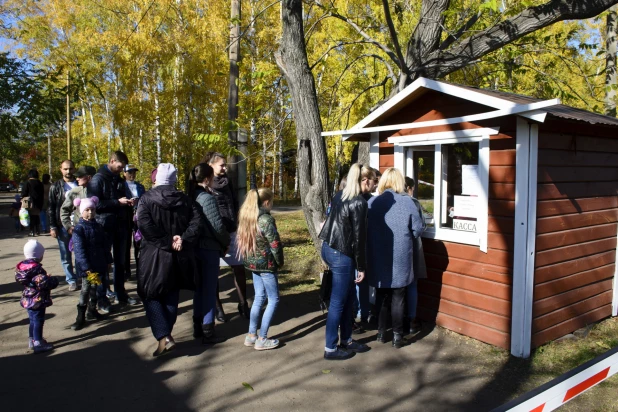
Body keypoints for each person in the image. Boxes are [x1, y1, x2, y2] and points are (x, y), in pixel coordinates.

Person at [137, 163, 202, 357]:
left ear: (157, 178)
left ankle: (164, 334)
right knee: (172, 292)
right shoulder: (186, 200)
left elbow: (144, 226)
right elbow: (196, 223)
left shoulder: (146, 199)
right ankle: (167, 336)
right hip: (178, 254)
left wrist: (168, 241)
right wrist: (182, 239)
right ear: (173, 179)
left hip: (154, 255)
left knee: (150, 294)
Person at [319, 163, 370, 361]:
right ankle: (330, 348)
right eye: (371, 180)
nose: (373, 185)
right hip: (341, 253)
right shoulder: (358, 202)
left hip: (330, 247)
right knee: (338, 302)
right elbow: (359, 238)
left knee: (347, 298)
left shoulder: (341, 194)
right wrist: (361, 267)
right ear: (363, 180)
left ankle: (347, 340)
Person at [367, 168, 423, 348]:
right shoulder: (408, 203)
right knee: (399, 296)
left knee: (382, 294)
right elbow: (418, 229)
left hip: (378, 255)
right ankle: (397, 336)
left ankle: (381, 333)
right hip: (400, 255)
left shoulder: (373, 203)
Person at [87, 151, 139, 311]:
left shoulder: (118, 178)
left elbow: (121, 199)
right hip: (104, 227)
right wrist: (117, 202)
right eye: (120, 166)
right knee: (103, 264)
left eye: (123, 167)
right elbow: (94, 204)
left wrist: (128, 202)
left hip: (121, 225)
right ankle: (102, 299)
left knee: (121, 263)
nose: (122, 169)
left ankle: (120, 293)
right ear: (111, 161)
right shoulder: (97, 179)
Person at [202, 151, 248, 320]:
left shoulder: (227, 181)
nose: (224, 168)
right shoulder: (205, 184)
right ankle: (218, 307)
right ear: (210, 166)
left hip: (233, 230)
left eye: (224, 164)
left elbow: (234, 203)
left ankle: (243, 304)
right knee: (213, 272)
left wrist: (239, 222)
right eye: (221, 165)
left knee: (239, 267)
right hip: (214, 234)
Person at [238, 188, 284, 351]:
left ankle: (251, 335)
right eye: (272, 202)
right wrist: (279, 262)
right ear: (266, 203)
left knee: (259, 297)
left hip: (253, 264)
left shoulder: (247, 217)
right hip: (266, 265)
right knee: (273, 299)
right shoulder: (265, 220)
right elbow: (275, 244)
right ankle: (262, 337)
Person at [188, 163, 230, 344]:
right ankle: (208, 329)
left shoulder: (191, 195)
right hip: (208, 248)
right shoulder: (207, 198)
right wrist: (226, 242)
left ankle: (198, 326)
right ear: (207, 179)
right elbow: (217, 226)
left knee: (199, 289)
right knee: (209, 289)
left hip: (195, 248)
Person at [71, 196, 112, 330]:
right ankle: (80, 316)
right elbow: (79, 250)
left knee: (96, 288)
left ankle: (92, 310)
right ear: (81, 211)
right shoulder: (79, 229)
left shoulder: (98, 226)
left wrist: (108, 260)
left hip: (99, 263)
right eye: (87, 210)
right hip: (87, 267)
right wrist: (86, 267)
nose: (90, 212)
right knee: (85, 290)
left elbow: (105, 245)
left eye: (92, 210)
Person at [15, 239, 59, 353]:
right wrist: (51, 280)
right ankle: (38, 342)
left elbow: (34, 281)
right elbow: (44, 283)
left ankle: (32, 339)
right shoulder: (37, 269)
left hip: (28, 298)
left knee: (32, 321)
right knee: (38, 320)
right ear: (38, 255)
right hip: (37, 299)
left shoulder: (23, 268)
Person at [353, 165, 377, 333]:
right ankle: (357, 314)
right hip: (356, 248)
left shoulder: (369, 199)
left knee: (362, 281)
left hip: (365, 246)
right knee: (358, 281)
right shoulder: (357, 201)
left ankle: (364, 312)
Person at [48, 160, 78, 290]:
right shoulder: (56, 187)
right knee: (65, 255)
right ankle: (71, 280)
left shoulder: (79, 184)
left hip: (78, 224)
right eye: (65, 169)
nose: (68, 171)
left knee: (80, 253)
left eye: (70, 169)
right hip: (62, 226)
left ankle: (82, 277)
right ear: (61, 169)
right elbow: (51, 207)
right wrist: (53, 226)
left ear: (74, 169)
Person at [404, 176, 427, 335]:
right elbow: (421, 226)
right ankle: (411, 319)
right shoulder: (413, 203)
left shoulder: (392, 202)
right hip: (412, 248)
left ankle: (397, 320)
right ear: (410, 188)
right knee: (412, 285)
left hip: (395, 250)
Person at [60, 166, 97, 235]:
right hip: (80, 233)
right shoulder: (75, 192)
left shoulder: (100, 191)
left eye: (80, 176)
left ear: (89, 177)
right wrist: (69, 227)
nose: (77, 179)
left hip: (98, 232)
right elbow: (64, 210)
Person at [123, 164, 145, 281]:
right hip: (125, 218)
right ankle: (127, 272)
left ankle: (139, 269)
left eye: (134, 172)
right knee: (126, 245)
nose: (132, 174)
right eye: (129, 172)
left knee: (139, 243)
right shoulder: (121, 186)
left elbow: (144, 200)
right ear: (124, 173)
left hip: (138, 217)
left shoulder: (140, 186)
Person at [21, 169, 44, 237]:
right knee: (36, 216)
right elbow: (42, 193)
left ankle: (31, 231)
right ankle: (37, 230)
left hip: (29, 203)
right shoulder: (40, 183)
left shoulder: (27, 183)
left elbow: (24, 193)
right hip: (39, 202)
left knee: (31, 217)